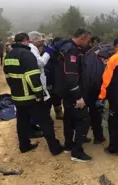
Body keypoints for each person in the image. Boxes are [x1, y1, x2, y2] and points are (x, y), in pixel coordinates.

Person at [3, 32, 63, 155]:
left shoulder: (8, 56)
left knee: (22, 122)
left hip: (17, 96)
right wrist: (39, 94)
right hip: (30, 97)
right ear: (25, 40)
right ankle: (55, 148)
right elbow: (32, 76)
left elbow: (7, 76)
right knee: (46, 122)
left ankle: (24, 145)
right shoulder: (27, 54)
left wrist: (14, 90)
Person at [48, 28, 92, 162]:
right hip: (72, 92)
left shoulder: (65, 47)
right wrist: (78, 96)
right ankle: (77, 152)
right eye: (88, 41)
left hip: (64, 91)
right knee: (83, 119)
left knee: (69, 117)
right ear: (83, 38)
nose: (88, 43)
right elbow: (71, 75)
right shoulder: (72, 50)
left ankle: (68, 144)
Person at [84, 42, 114, 144]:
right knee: (97, 113)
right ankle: (98, 137)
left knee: (88, 112)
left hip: (87, 86)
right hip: (99, 87)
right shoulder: (109, 55)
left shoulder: (90, 52)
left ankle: (84, 136)